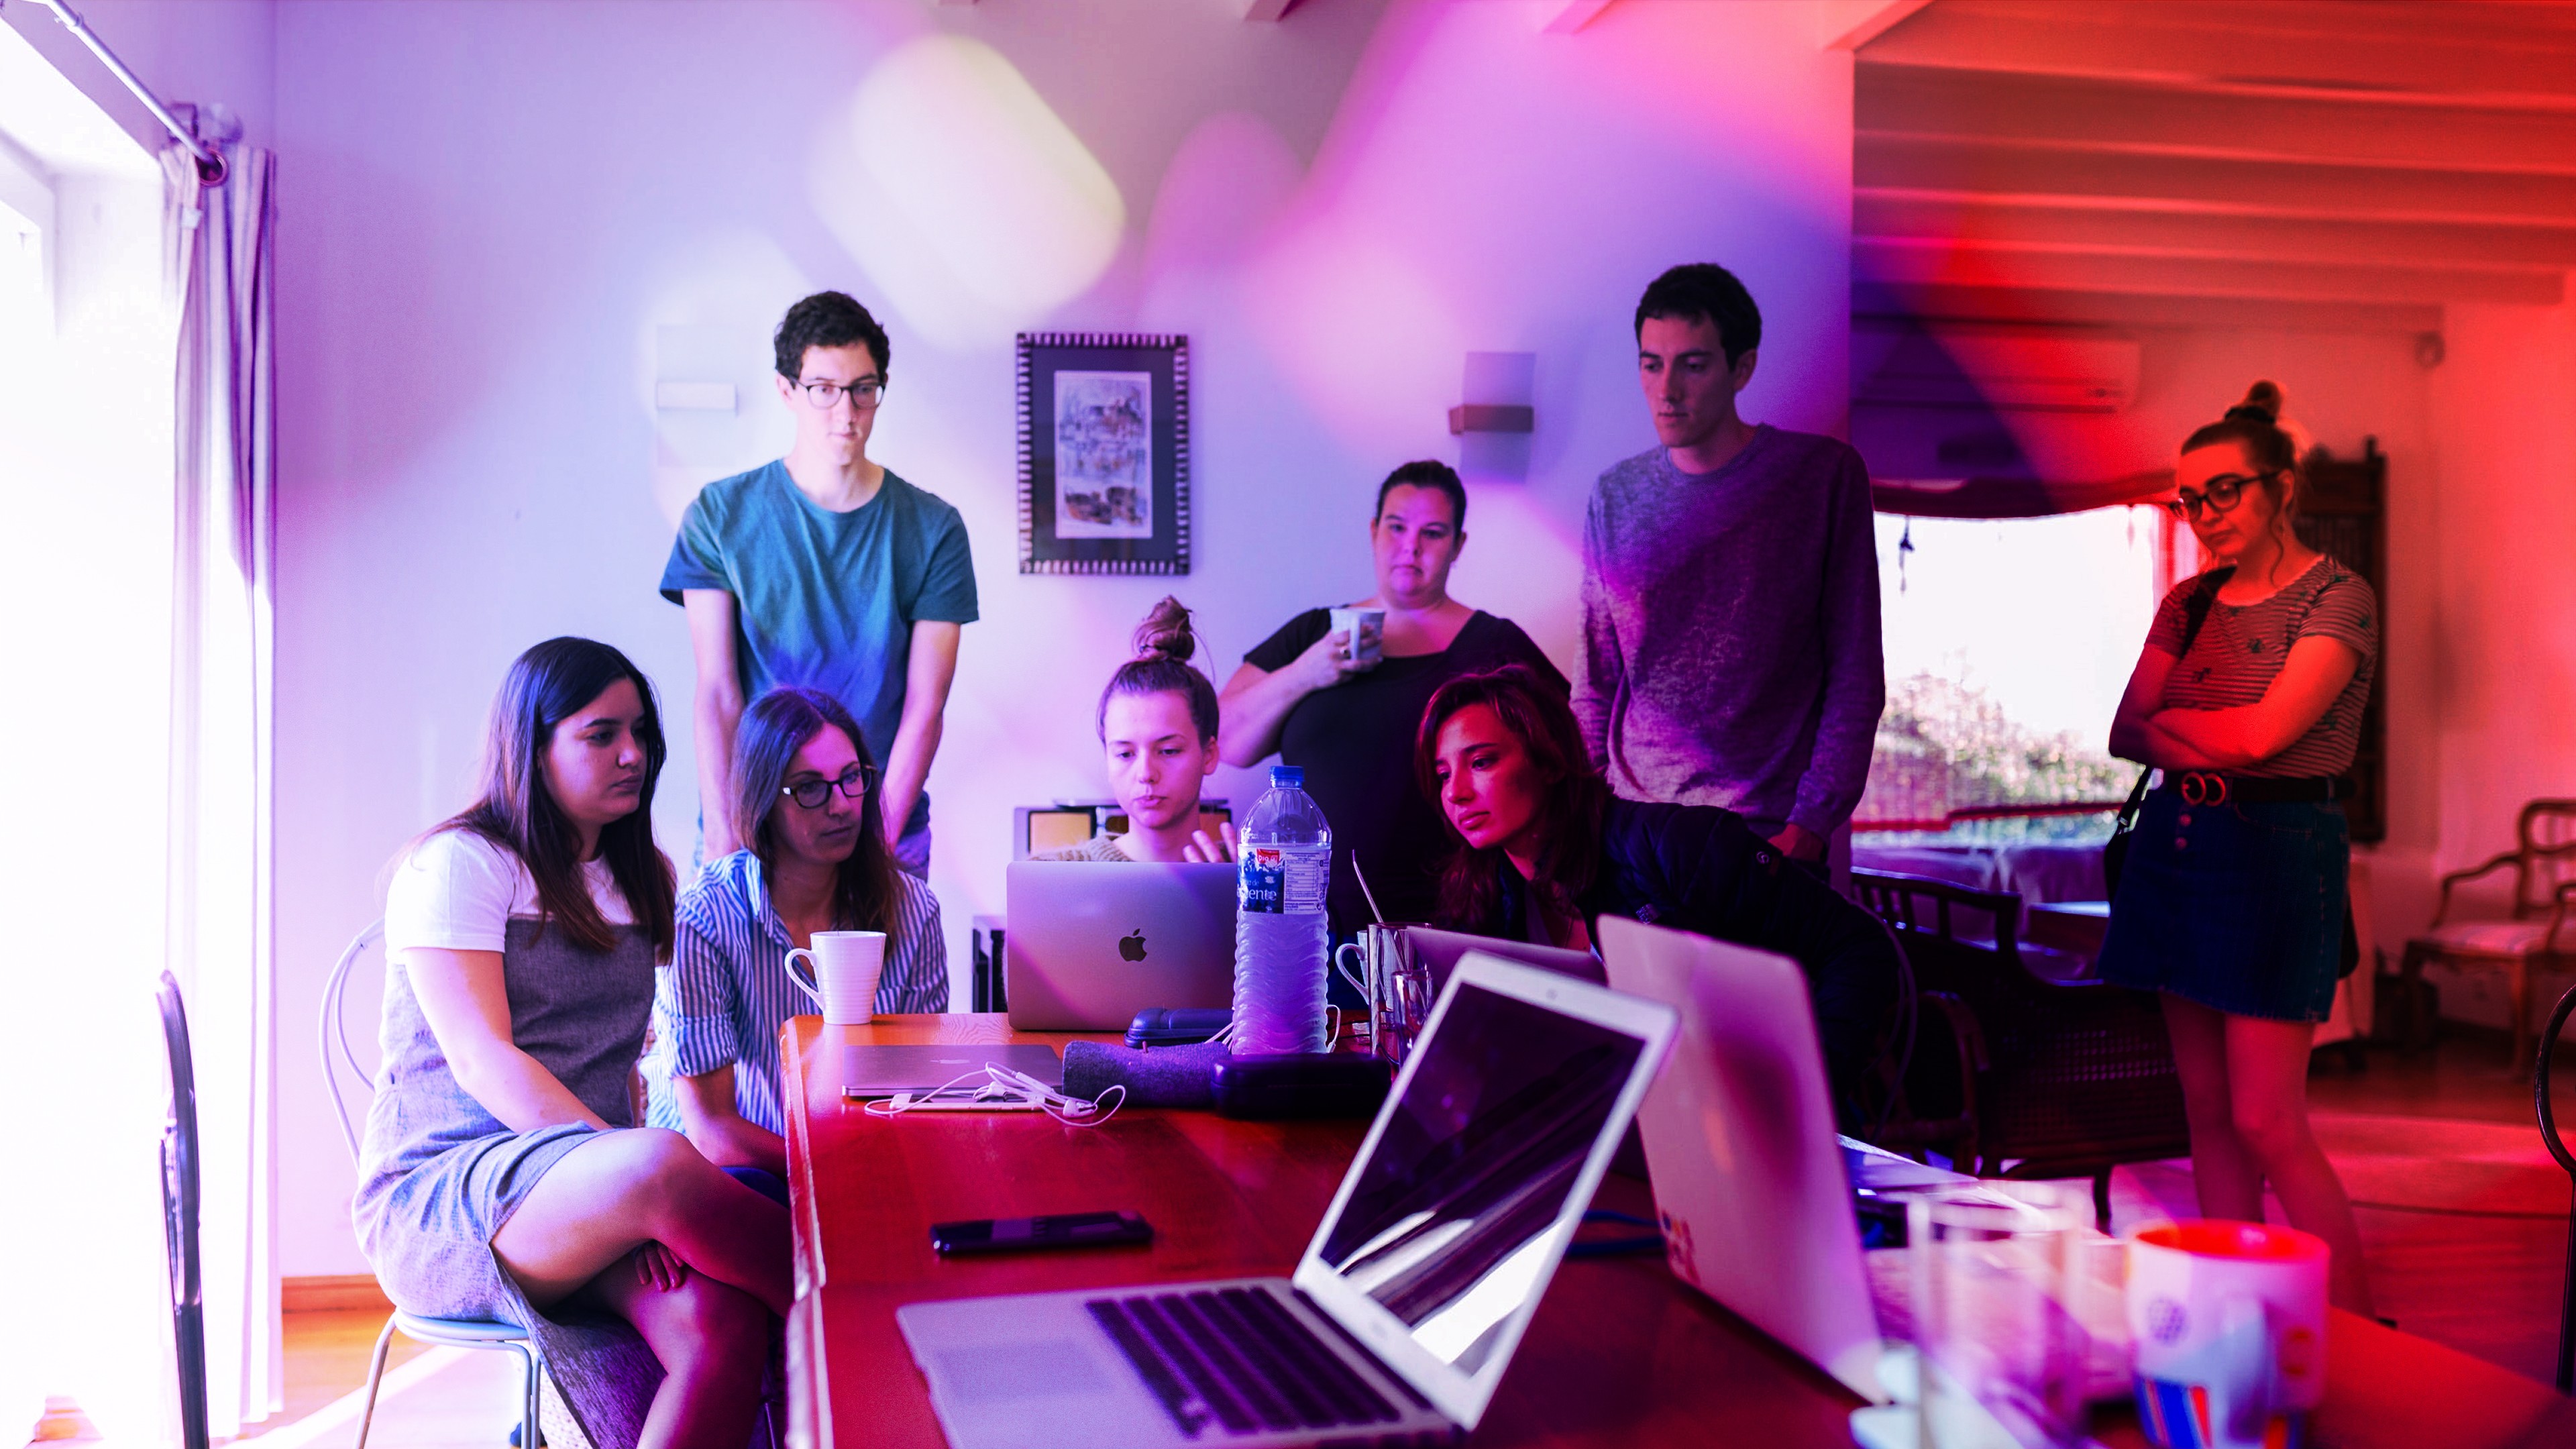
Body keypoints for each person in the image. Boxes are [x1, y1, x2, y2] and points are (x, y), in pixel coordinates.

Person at [358, 639, 788, 1449]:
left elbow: (620, 1064)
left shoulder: (646, 879)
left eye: (642, 733)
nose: (635, 754)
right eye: (602, 735)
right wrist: (625, 1176)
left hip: (591, 1190)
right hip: (451, 1194)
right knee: (664, 1161)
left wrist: (624, 1187)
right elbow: (485, 1060)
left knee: (721, 1319)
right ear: (535, 742)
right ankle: (876, 1308)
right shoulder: (461, 863)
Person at [2102, 382, 2379, 1316]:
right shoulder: (2188, 602)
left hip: (2275, 852)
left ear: (2281, 488)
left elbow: (2265, 740)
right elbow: (2124, 730)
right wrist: (2197, 727)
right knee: (2209, 1117)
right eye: (2190, 497)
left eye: (2225, 490)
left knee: (2267, 1120)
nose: (2204, 514)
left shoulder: (2340, 597)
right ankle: (2239, 1311)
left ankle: (2358, 1326)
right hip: (2180, 842)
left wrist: (2181, 719)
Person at [1416, 664, 1900, 1122]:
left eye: (1481, 762)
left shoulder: (1677, 847)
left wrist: (1802, 1093)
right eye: (1442, 775)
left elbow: (1859, 946)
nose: (1455, 792)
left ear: (1549, 763)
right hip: (1616, 1133)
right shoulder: (1483, 897)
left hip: (1741, 1127)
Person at [1575, 263, 1883, 873]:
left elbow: (1855, 673)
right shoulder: (1616, 495)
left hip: (1765, 834)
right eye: (1650, 363)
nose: (1667, 390)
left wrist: (1811, 825)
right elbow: (1596, 680)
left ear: (1741, 369)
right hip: (1634, 827)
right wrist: (1583, 821)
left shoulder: (1820, 477)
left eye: (1693, 364)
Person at [661, 290, 978, 877]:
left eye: (863, 389)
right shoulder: (719, 516)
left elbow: (925, 707)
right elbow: (718, 693)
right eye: (824, 389)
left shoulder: (934, 529)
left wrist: (875, 849)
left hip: (882, 827)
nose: (847, 411)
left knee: (886, 974)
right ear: (787, 390)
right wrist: (726, 842)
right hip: (755, 828)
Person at [1220, 460, 1564, 931]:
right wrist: (1305, 673)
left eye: (1434, 533)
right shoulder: (1313, 633)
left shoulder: (1494, 645)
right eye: (1397, 527)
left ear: (1458, 545)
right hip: (1306, 922)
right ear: (1374, 531)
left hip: (1455, 920)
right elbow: (1228, 741)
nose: (1411, 547)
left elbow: (1566, 760)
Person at [647, 688, 949, 1184]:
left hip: (859, 1156)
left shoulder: (914, 909)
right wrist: (830, 1166)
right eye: (810, 788)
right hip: (729, 1173)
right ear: (763, 799)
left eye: (852, 779)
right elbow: (712, 1130)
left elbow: (918, 1088)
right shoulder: (703, 918)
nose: (841, 806)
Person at [1037, 597, 1236, 864]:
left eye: (1168, 751)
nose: (1145, 774)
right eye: (1125, 754)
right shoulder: (1051, 877)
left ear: (1209, 755)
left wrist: (1241, 904)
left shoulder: (1255, 882)